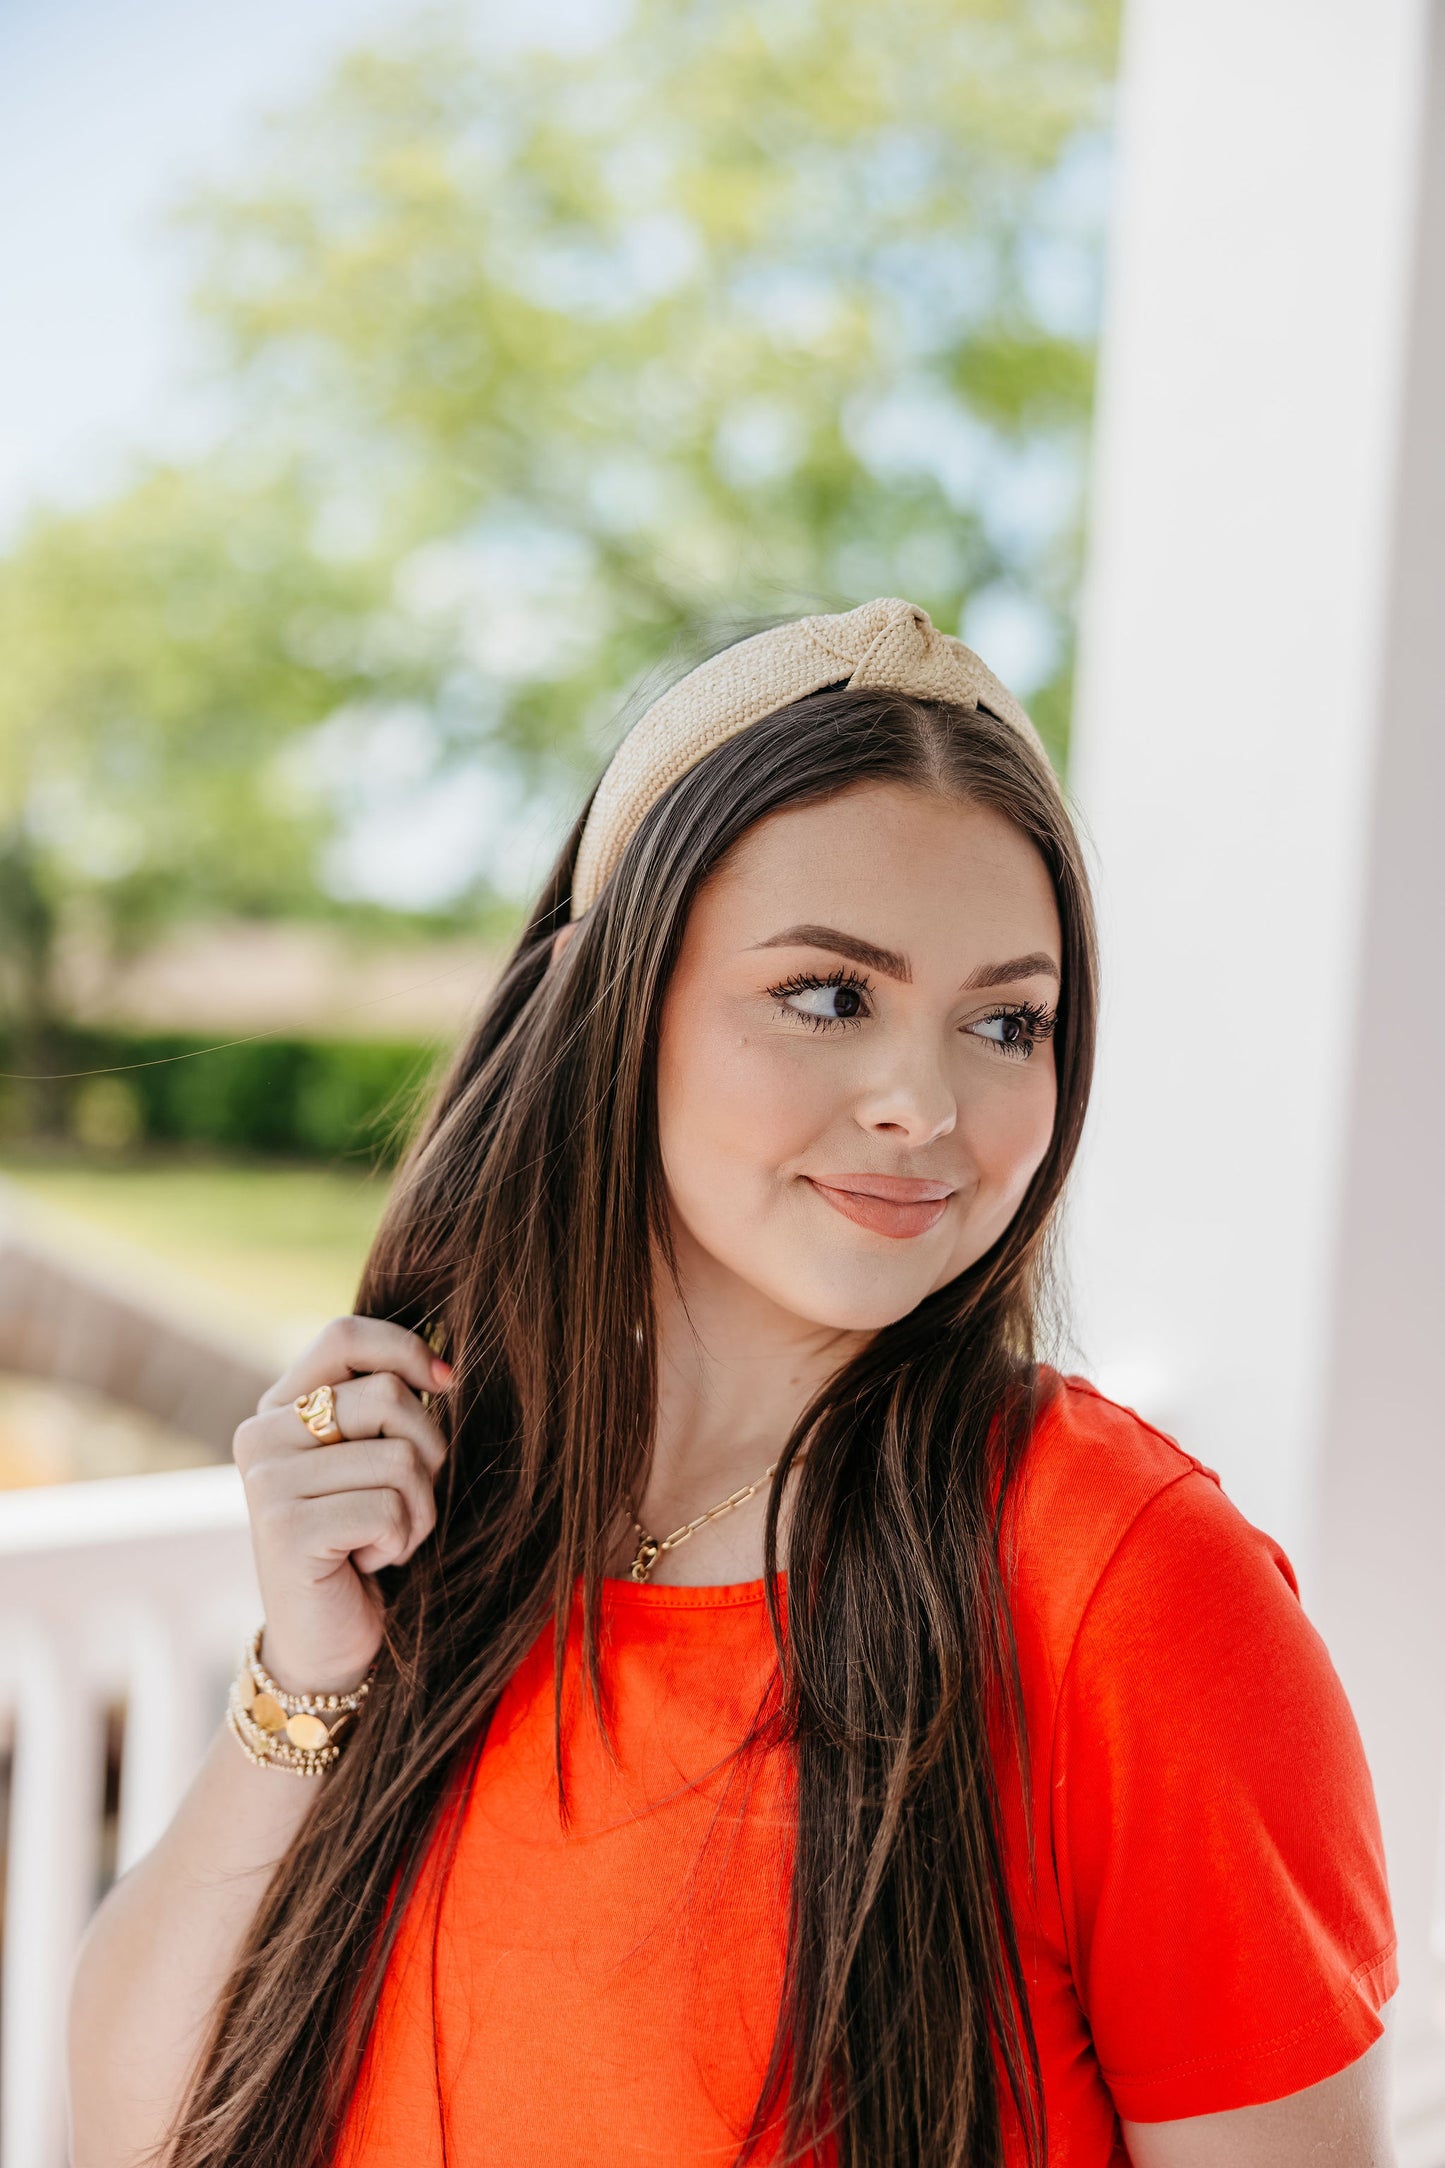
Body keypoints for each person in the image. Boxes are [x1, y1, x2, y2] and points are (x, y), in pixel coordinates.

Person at [69, 599, 1397, 2168]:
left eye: (1004, 1020)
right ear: (609, 1006)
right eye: (829, 994)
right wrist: (310, 1669)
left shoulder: (1125, 1586)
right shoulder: (447, 1509)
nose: (925, 1102)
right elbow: (136, 2133)